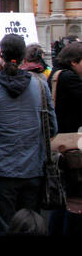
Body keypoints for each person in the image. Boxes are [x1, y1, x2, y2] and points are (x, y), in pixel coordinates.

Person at [0, 33, 58, 236]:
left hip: (0, 171)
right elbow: (52, 127)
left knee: (2, 228)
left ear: (2, 55)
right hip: (33, 170)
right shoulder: (40, 84)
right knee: (31, 227)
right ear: (24, 57)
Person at [48, 41, 82, 235]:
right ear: (75, 62)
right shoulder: (70, 78)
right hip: (71, 143)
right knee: (72, 194)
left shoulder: (55, 74)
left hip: (58, 139)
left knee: (61, 193)